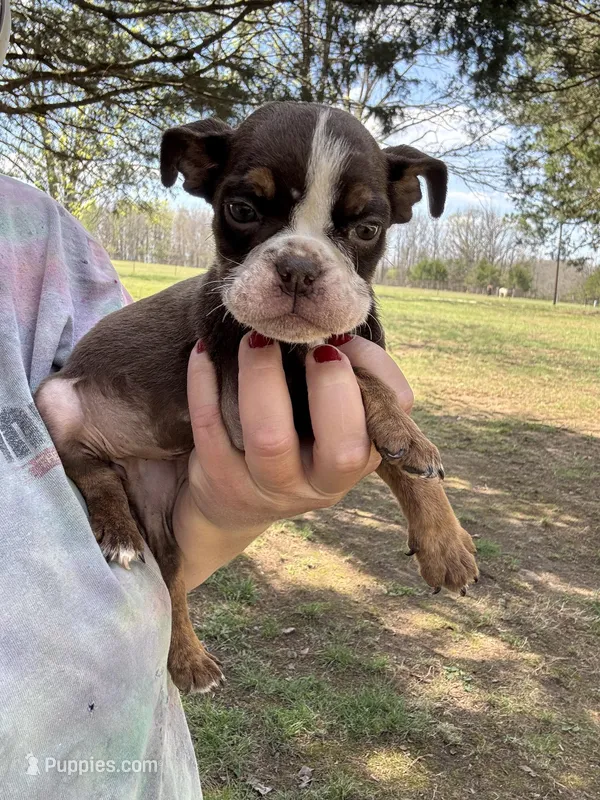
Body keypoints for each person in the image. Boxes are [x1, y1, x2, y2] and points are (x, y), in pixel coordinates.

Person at [0, 4, 414, 797]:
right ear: (201, 175)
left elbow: (183, 498)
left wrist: (233, 507)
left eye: (356, 233)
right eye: (248, 212)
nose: (299, 264)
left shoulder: (44, 243)